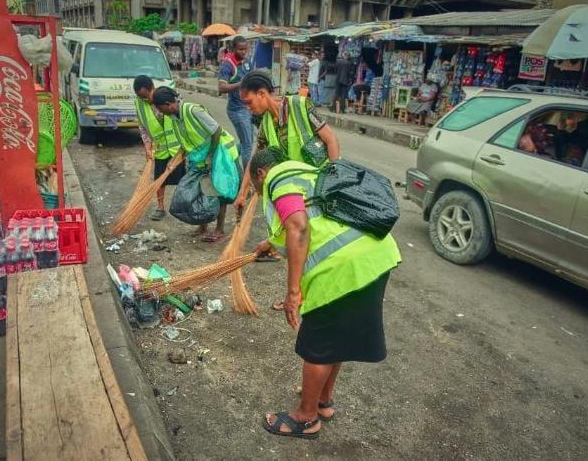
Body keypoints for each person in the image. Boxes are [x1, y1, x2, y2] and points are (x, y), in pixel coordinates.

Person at [249, 148, 401, 440]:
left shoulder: (277, 179)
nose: (259, 191)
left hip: (343, 269)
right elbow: (314, 215)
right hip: (375, 256)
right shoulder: (307, 171)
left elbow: (299, 227)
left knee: (316, 345)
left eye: (256, 186)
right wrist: (270, 242)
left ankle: (306, 419)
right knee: (336, 339)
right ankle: (323, 401)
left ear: (261, 173)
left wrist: (293, 293)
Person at [233, 69, 340, 214]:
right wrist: (242, 194)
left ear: (261, 94)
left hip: (321, 185)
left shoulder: (300, 106)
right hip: (298, 191)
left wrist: (333, 180)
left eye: (249, 102)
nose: (248, 107)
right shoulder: (265, 124)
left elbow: (331, 140)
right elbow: (254, 159)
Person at [151, 86, 241, 242]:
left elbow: (216, 131)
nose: (159, 112)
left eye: (160, 108)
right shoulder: (174, 118)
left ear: (168, 104)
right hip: (200, 158)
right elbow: (185, 143)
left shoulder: (193, 111)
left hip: (220, 154)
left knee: (219, 191)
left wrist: (211, 157)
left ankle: (219, 229)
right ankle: (203, 227)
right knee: (202, 190)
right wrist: (173, 161)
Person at [132, 75, 185, 220]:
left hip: (178, 148)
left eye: (146, 96)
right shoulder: (139, 104)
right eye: (141, 97)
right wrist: (147, 148)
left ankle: (186, 205)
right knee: (159, 180)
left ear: (152, 88)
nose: (146, 100)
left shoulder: (168, 95)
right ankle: (160, 207)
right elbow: (143, 127)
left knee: (185, 179)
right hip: (161, 149)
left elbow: (183, 118)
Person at [218, 36, 254, 168]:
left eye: (245, 49)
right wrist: (240, 83)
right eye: (240, 49)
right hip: (237, 110)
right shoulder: (228, 64)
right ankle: (247, 180)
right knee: (248, 146)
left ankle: (225, 158)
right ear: (233, 49)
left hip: (248, 108)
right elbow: (221, 88)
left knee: (247, 142)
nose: (244, 52)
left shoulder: (247, 62)